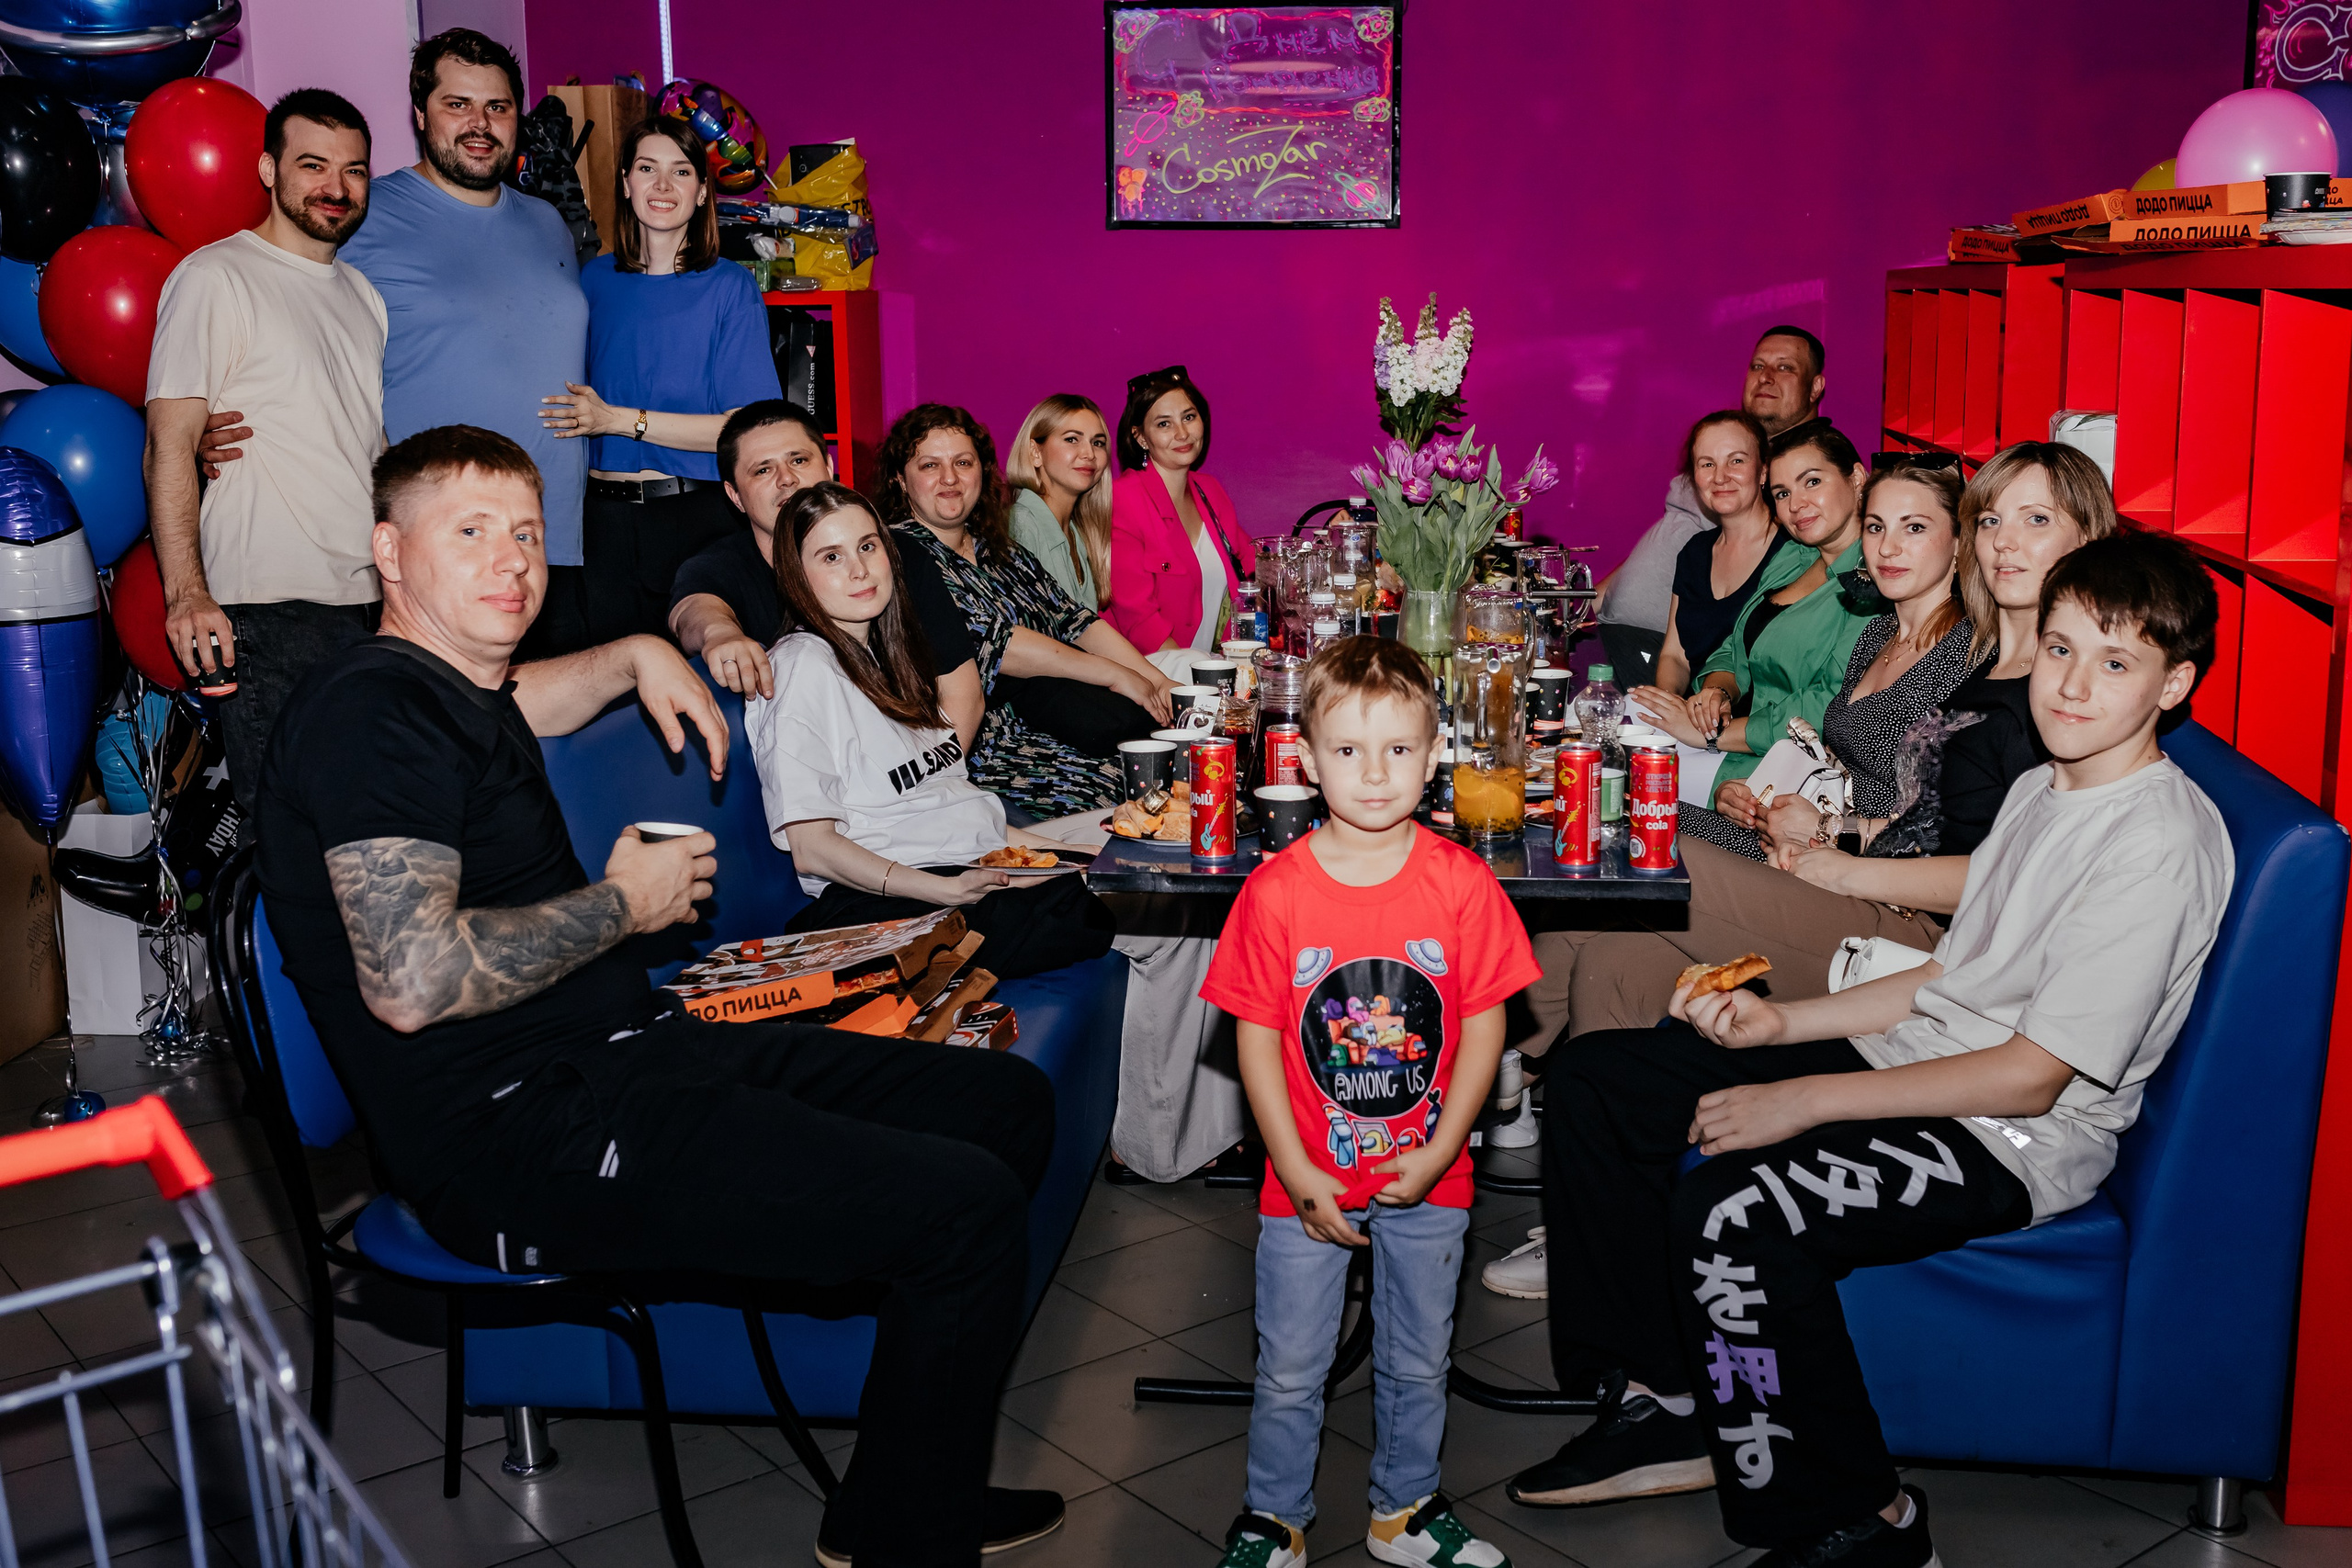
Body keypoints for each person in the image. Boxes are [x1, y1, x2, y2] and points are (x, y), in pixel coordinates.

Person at [256, 424, 1066, 1567]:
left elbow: (526, 694)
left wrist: (639, 647)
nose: (512, 562)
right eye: (471, 533)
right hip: (519, 1134)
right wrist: (620, 908)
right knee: (965, 1211)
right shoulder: (368, 713)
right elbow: (410, 982)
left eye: (528, 534)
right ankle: (905, 1539)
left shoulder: (451, 687)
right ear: (390, 553)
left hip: (629, 1052)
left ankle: (898, 1486)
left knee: (1005, 1107)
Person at [1503, 530, 2230, 1568]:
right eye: (2059, 650)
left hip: (2008, 1139)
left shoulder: (2154, 842)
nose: (2070, 686)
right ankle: (1668, 1397)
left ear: (2174, 683)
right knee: (1597, 1082)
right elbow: (1951, 977)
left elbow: (2031, 1079)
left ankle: (1861, 1522)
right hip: (1921, 1063)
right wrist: (1780, 1027)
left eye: (2114, 663)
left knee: (1736, 1211)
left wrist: (1799, 1101)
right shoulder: (2044, 791)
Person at [1512, 446, 2119, 1076]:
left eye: (2036, 521)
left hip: (1907, 922)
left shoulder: (2044, 690)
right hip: (1842, 855)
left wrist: (1834, 849)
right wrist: (1790, 806)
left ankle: (1500, 1072)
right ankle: (1542, 1106)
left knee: (1653, 841)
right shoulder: (1918, 641)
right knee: (1617, 958)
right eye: (1993, 520)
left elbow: (2003, 872)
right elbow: (1896, 790)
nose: (2006, 543)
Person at [1200, 637, 1539, 1568]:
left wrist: (1440, 1151)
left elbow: (1483, 1030)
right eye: (1348, 751)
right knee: (1290, 1370)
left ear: (1434, 758)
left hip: (1432, 1173)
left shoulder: (1463, 886)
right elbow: (1257, 1040)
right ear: (1306, 760)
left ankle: (1404, 1510)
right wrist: (1297, 1168)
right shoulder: (1273, 895)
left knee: (1418, 1359)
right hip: (1303, 1180)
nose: (1375, 773)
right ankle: (1273, 1518)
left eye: (1398, 749)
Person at [748, 480, 1116, 976]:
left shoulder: (893, 658)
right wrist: (947, 889)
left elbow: (946, 807)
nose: (859, 569)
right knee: (1120, 907)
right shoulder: (801, 666)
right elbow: (812, 850)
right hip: (897, 896)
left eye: (867, 546)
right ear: (797, 576)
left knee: (1134, 874)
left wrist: (1068, 855)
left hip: (974, 866)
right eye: (831, 557)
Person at [144, 88, 383, 813]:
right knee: (283, 842)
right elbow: (168, 443)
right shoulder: (216, 277)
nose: (336, 188)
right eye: (314, 165)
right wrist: (187, 593)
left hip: (367, 607)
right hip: (267, 610)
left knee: (362, 834)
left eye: (355, 170)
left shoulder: (362, 294)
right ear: (268, 170)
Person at [339, 29, 590, 626]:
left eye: (497, 107)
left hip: (554, 544)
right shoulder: (364, 216)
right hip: (440, 550)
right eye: (458, 105)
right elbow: (291, 331)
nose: (480, 123)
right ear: (420, 113)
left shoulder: (547, 221)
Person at [1639, 459, 1977, 863]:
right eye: (1875, 527)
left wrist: (1826, 831)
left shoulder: (1964, 655)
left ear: (1959, 541)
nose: (1888, 547)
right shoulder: (1878, 635)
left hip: (1861, 874)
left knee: (1651, 830)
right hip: (1804, 837)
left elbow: (1948, 834)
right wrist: (1757, 791)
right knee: (1644, 815)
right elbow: (1840, 762)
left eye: (1915, 527)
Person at [537, 115, 782, 651]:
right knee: (608, 695)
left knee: (704, 691)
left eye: (681, 171)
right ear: (626, 183)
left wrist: (617, 420)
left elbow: (746, 432)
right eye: (648, 168)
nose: (663, 185)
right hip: (597, 524)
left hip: (696, 521)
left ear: (700, 193)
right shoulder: (592, 280)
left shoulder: (729, 286)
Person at [882, 403, 1173, 819]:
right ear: (900, 478)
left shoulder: (996, 548)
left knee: (1166, 769)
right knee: (1120, 791)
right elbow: (998, 644)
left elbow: (1075, 619)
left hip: (1048, 723)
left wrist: (1159, 683)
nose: (950, 478)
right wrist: (1117, 675)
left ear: (982, 472)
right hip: (980, 745)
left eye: (963, 463)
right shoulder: (900, 553)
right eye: (930, 465)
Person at [668, 400, 984, 744]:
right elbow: (692, 609)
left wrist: (932, 785)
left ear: (829, 466)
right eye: (763, 470)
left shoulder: (897, 552)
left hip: (919, 760)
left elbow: (962, 694)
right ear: (735, 496)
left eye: (799, 460)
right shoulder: (721, 565)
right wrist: (720, 633)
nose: (787, 479)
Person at [1651, 423, 1876, 840]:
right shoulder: (1795, 555)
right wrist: (1718, 692)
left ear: (1857, 478)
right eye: (1783, 493)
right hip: (1740, 763)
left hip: (1793, 780)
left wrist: (1714, 738)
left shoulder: (1874, 578)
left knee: (1643, 810)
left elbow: (1829, 704)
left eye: (1812, 482)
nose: (1797, 505)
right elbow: (1734, 645)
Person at [1597, 326, 1828, 682]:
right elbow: (1678, 540)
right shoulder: (1723, 440)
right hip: (1618, 630)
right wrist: (1593, 595)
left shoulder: (1810, 465)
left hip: (1676, 652)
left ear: (1815, 387)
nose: (1766, 377)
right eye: (1757, 366)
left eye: (1785, 368)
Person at [1106, 366, 1256, 675]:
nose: (1183, 433)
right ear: (1140, 437)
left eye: (1189, 417)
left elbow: (1256, 570)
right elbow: (1140, 624)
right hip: (1149, 677)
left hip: (1212, 672)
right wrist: (1201, 681)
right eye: (1164, 423)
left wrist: (1320, 543)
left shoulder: (1210, 491)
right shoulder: (1123, 499)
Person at [1653, 410, 1793, 696]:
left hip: (1760, 729)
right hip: (1693, 726)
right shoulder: (1694, 552)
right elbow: (1675, 656)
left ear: (1763, 470)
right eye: (1707, 464)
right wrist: (1666, 708)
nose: (1720, 477)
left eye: (1737, 461)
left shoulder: (1795, 552)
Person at [1005, 394, 1115, 610]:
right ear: (1035, 452)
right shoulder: (1021, 524)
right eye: (1072, 439)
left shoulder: (1077, 532)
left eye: (1098, 443)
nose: (1089, 453)